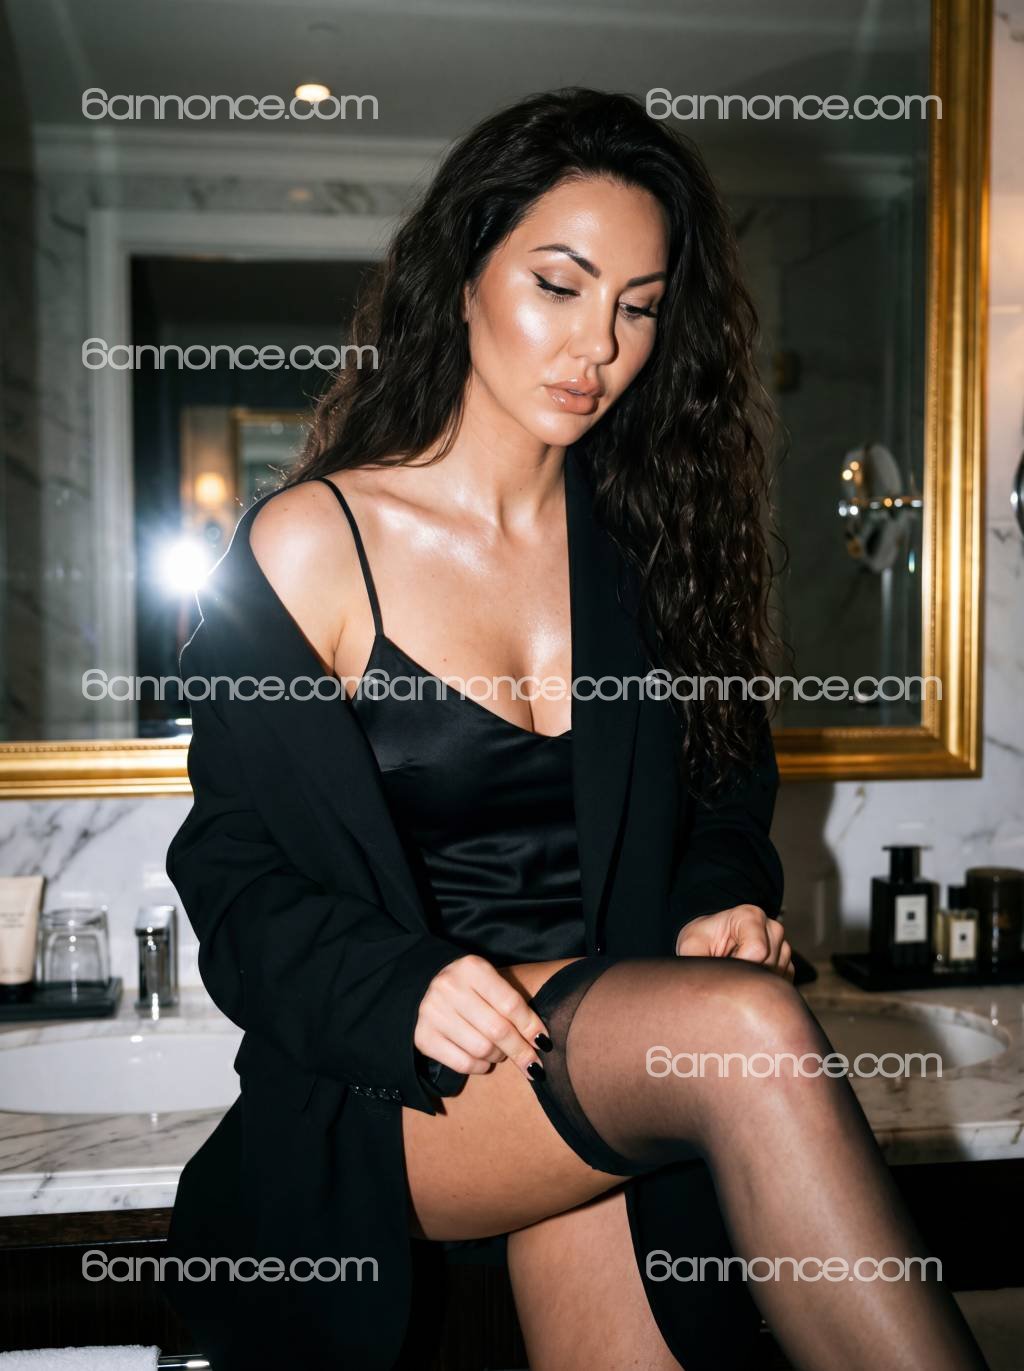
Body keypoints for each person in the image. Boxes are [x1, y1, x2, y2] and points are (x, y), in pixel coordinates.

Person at [163, 88, 988, 1370]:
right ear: (462, 278)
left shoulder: (658, 546)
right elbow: (231, 869)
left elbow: (723, 800)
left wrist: (719, 903)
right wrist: (395, 982)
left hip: (617, 1054)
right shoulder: (316, 543)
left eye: (638, 307)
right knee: (746, 1032)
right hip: (397, 1084)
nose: (595, 345)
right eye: (558, 285)